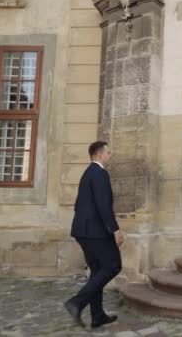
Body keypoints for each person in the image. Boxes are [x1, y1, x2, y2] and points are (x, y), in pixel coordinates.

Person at [64, 141, 124, 329]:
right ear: (99, 155)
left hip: (83, 231)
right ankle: (76, 302)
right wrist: (115, 230)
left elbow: (78, 205)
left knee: (98, 271)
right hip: (96, 232)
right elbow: (103, 205)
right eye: (108, 152)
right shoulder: (100, 173)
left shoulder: (88, 173)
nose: (110, 155)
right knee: (113, 265)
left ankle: (97, 316)